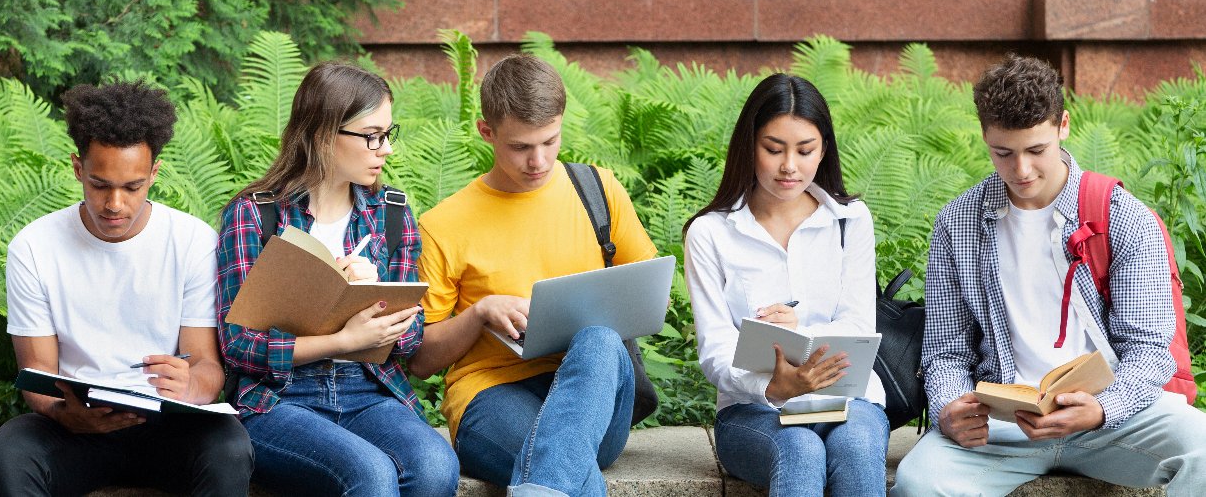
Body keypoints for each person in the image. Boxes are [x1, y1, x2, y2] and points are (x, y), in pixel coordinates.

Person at [890, 54, 1206, 495]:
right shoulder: (957, 223)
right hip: (1001, 430)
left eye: (1036, 150)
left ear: (1063, 126)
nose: (1021, 171)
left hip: (1113, 420)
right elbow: (945, 351)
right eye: (1004, 153)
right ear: (985, 136)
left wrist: (1101, 408)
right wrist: (948, 408)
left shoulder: (1123, 218)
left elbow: (1150, 351)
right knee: (917, 483)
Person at [0, 81, 253, 496]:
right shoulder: (34, 247)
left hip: (168, 426)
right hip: (76, 428)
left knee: (229, 446)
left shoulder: (192, 241)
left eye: (132, 187)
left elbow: (206, 367)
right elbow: (37, 376)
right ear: (77, 168)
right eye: (99, 184)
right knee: (10, 451)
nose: (114, 204)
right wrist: (64, 414)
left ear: (154, 174)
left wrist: (190, 385)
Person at [408, 53, 656, 496]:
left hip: (595, 395)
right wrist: (481, 312)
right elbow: (421, 360)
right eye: (520, 147)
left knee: (598, 339)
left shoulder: (598, 191)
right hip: (491, 396)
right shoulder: (445, 225)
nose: (538, 161)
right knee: (563, 467)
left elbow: (648, 298)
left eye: (550, 141)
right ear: (487, 132)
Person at [214, 62, 459, 497]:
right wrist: (340, 340)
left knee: (436, 467)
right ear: (324, 134)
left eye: (388, 134)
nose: (385, 149)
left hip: (369, 390)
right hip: (280, 400)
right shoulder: (255, 214)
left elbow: (410, 339)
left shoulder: (391, 214)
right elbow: (237, 347)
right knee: (371, 474)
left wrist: (376, 295)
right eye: (371, 136)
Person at [682, 73, 889, 495]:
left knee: (858, 444)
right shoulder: (710, 233)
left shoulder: (849, 221)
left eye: (805, 150)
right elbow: (716, 352)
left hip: (848, 400)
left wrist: (802, 334)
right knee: (799, 449)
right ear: (749, 146)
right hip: (752, 410)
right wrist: (773, 386)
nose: (789, 166)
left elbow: (858, 326)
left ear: (824, 150)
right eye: (773, 149)